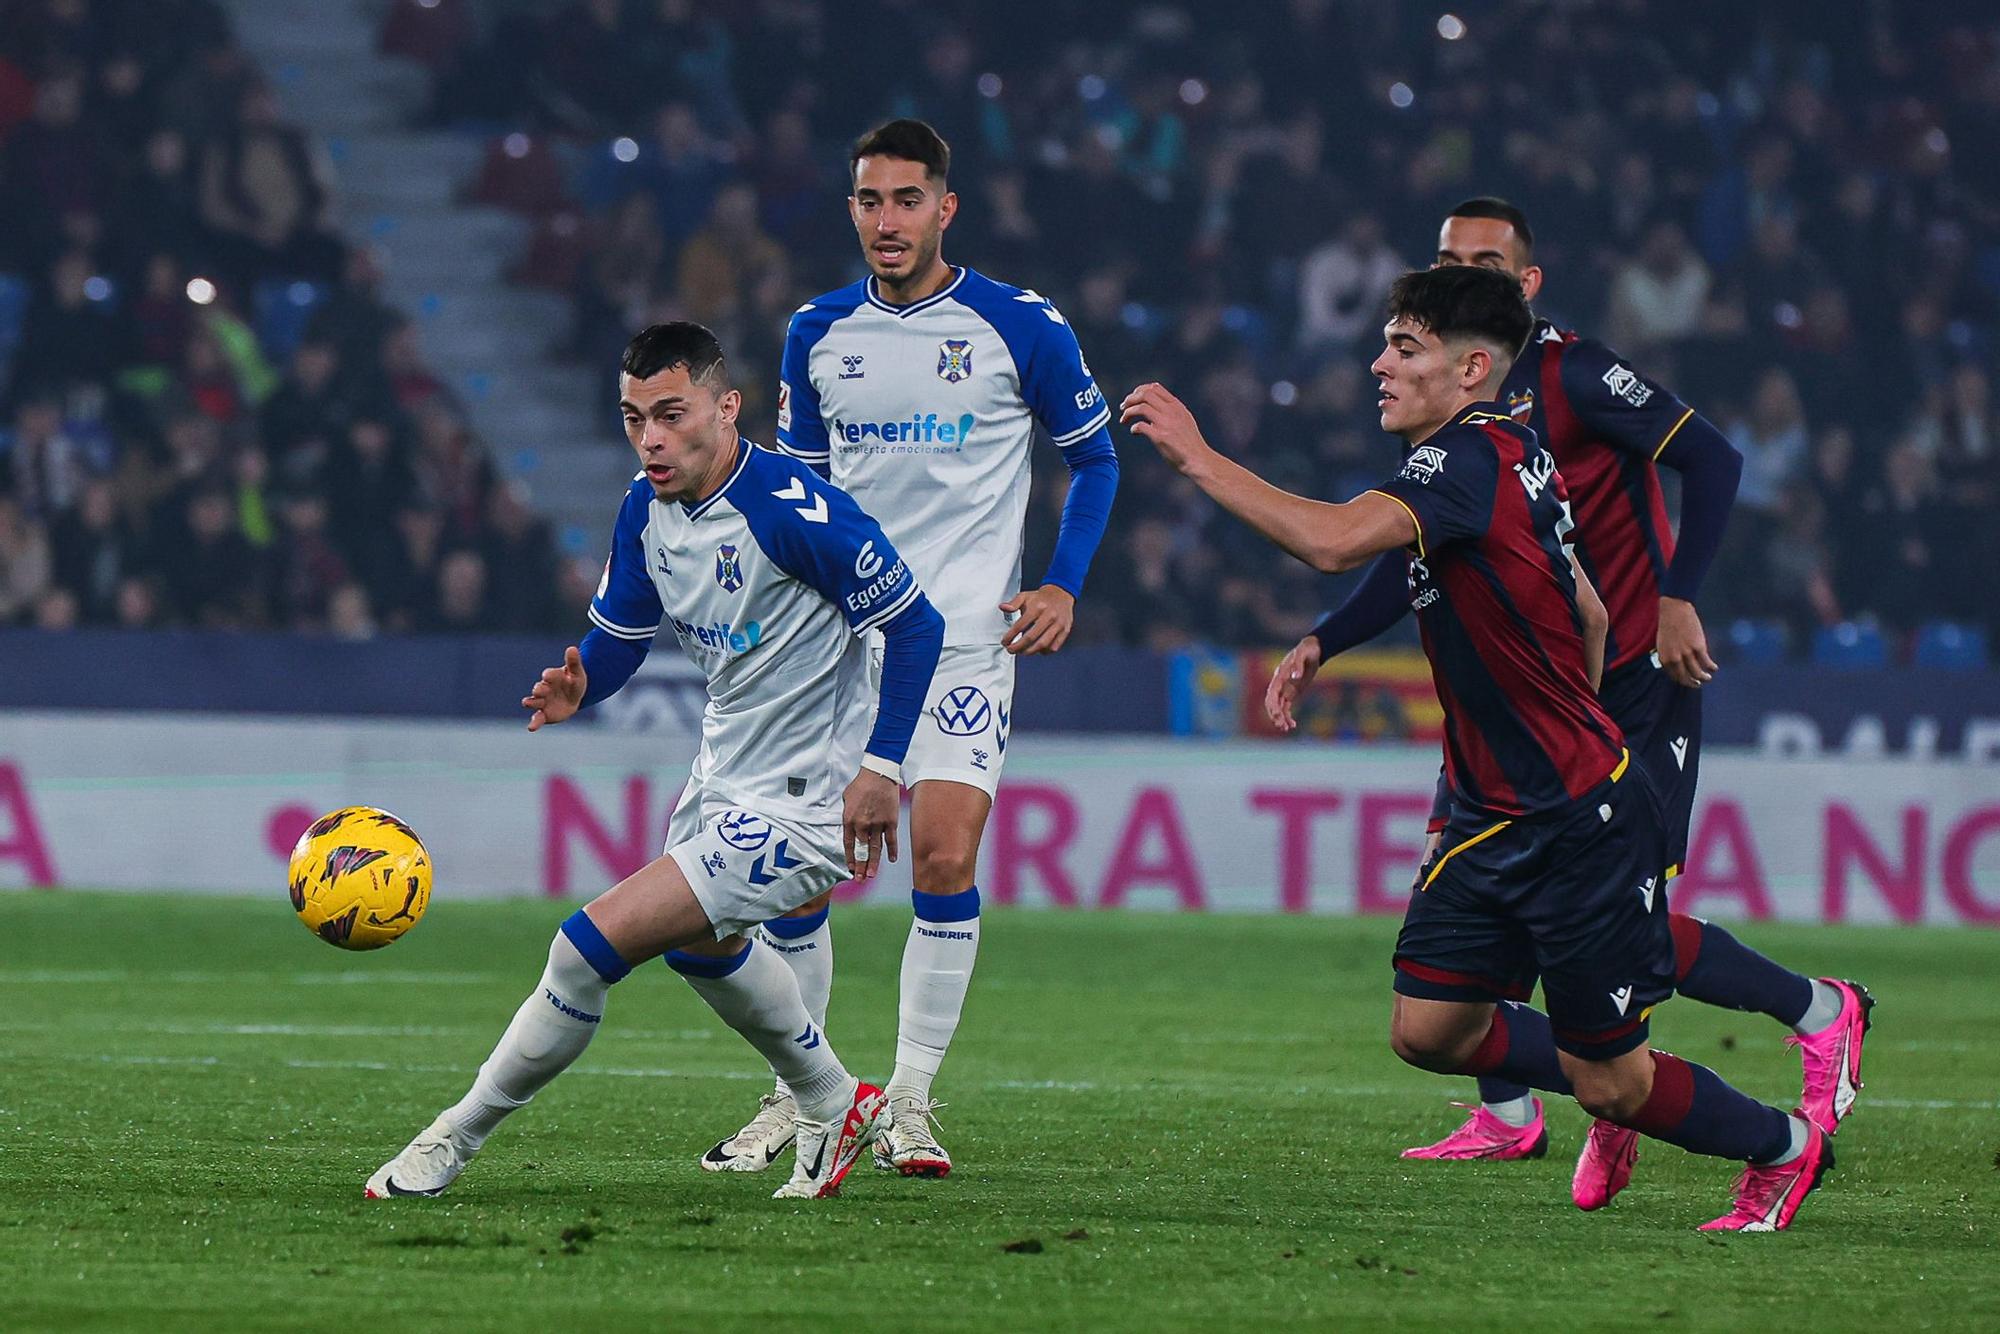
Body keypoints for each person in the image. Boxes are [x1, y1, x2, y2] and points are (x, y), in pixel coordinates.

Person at [1123, 265, 1834, 1232]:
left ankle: (1783, 1148)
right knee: (1430, 1030)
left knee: (1617, 1087)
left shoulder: (1459, 465)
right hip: (1495, 812)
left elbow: (1333, 543)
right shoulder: (1515, 450)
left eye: (1403, 349)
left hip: (1575, 824)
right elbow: (1585, 607)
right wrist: (1546, 719)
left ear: (1468, 369)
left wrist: (1200, 458)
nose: (1378, 364)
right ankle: (1605, 1069)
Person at [1285, 199, 1868, 1208]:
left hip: (1629, 682)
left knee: (1616, 911)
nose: (1463, 273)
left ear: (1525, 283)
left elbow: (1713, 460)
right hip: (1529, 690)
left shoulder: (1572, 375)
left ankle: (1808, 1013)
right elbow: (1417, 545)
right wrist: (1326, 637)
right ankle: (1536, 1106)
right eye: (1445, 259)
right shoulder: (1466, 421)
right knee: (1487, 914)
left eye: (1485, 262)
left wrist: (1677, 597)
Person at [365, 322, 945, 1202]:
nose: (652, 439)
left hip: (806, 801)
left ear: (727, 406)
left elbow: (916, 624)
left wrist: (882, 768)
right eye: (635, 418)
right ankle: (832, 1101)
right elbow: (621, 636)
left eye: (671, 415)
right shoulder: (646, 507)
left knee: (583, 948)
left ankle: (454, 1138)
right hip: (724, 779)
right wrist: (580, 684)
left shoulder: (791, 510)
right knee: (704, 951)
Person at [700, 118, 1118, 1179]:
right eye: (868, 201)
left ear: (945, 208)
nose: (885, 221)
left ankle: (911, 1100)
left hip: (968, 638)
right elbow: (792, 496)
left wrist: (1062, 583)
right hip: (837, 645)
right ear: (851, 209)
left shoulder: (1019, 325)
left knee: (941, 851)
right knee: (797, 875)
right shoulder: (817, 331)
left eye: (905, 200)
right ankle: (802, 1098)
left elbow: (1095, 462)